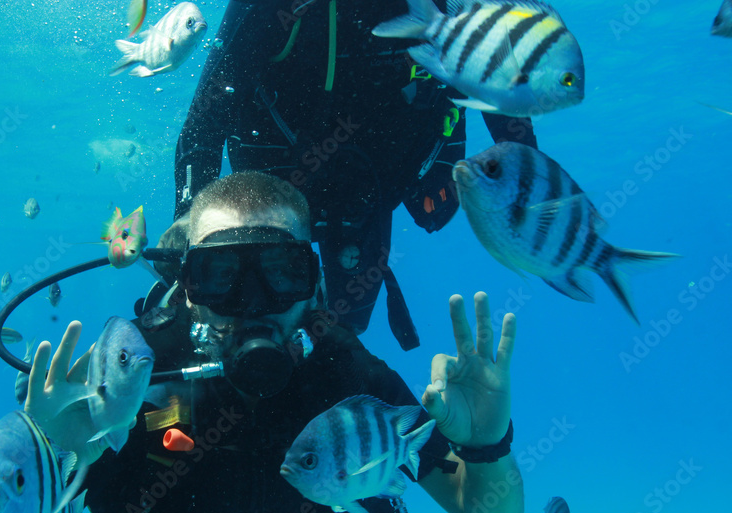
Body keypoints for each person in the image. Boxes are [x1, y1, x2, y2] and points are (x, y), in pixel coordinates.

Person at [26, 172, 523, 513]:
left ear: (314, 283)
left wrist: (488, 444)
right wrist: (51, 452)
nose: (252, 303)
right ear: (188, 286)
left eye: (282, 271)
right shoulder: (133, 371)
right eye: (221, 273)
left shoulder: (347, 376)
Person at [169, 0, 538, 348]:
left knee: (336, 343)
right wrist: (188, 217)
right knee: (243, 329)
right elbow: (206, 117)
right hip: (271, 198)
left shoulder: (452, 8)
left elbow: (504, 95)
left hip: (370, 192)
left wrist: (530, 193)